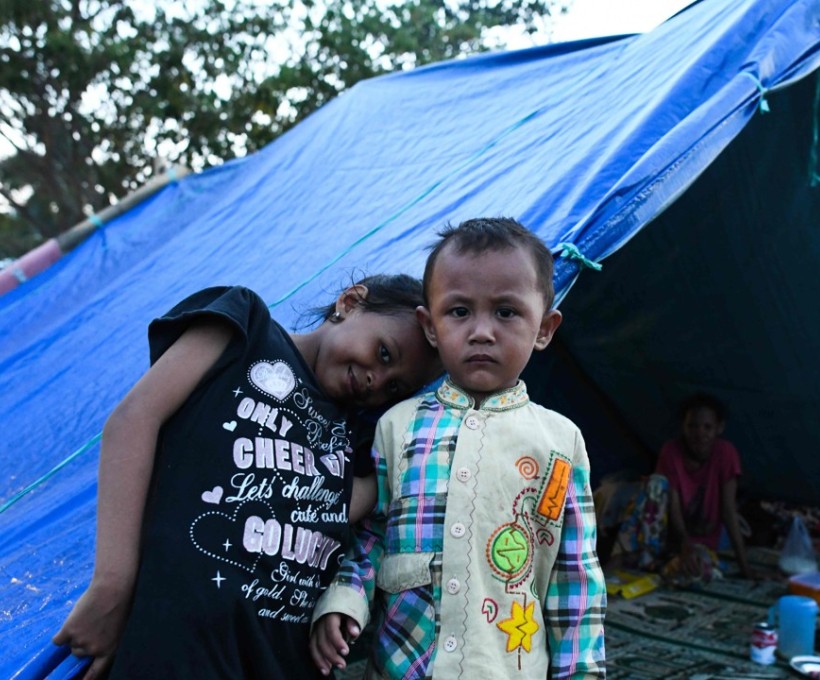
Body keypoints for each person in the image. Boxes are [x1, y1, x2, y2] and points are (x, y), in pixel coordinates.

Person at [53, 276, 443, 680]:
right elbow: (134, 420)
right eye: (383, 353)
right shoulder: (247, 329)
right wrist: (112, 584)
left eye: (395, 386)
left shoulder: (355, 439)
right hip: (173, 652)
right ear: (350, 300)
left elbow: (367, 497)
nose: (376, 381)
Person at [309, 218, 606, 679]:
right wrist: (344, 599)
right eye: (459, 312)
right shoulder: (397, 427)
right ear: (429, 326)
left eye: (506, 312)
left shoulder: (560, 442)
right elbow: (371, 536)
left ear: (544, 328)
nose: (481, 331)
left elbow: (576, 578)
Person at [597, 393, 753, 583]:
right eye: (692, 426)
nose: (700, 434)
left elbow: (729, 511)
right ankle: (635, 558)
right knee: (655, 483)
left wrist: (746, 568)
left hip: (701, 543)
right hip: (665, 537)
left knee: (696, 571)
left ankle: (651, 563)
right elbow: (673, 506)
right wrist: (684, 545)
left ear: (719, 428)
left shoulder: (726, 454)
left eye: (707, 427)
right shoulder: (671, 452)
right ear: (683, 427)